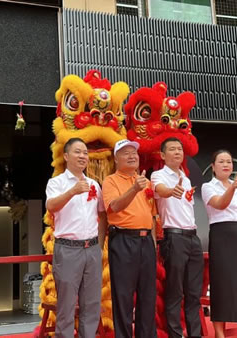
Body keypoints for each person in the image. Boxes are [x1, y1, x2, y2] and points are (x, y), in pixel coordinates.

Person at [45, 137, 107, 338]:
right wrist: (72, 191)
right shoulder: (56, 182)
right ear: (66, 156)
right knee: (66, 303)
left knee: (91, 303)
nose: (83, 156)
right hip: (68, 249)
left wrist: (99, 243)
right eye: (78, 152)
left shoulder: (93, 185)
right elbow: (51, 207)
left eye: (85, 153)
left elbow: (102, 214)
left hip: (91, 249)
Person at [102, 139, 157, 338]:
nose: (132, 156)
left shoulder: (146, 181)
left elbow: (151, 217)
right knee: (123, 296)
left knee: (147, 296)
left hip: (145, 242)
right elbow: (114, 206)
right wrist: (134, 189)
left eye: (134, 152)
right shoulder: (110, 181)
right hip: (123, 240)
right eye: (126, 153)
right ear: (116, 159)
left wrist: (153, 245)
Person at [201, 150, 237, 338]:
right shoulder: (208, 187)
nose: (226, 165)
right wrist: (232, 188)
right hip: (221, 236)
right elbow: (219, 204)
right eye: (221, 161)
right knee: (221, 284)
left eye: (229, 161)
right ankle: (220, 333)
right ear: (213, 166)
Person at [151, 137, 202, 338]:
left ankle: (194, 334)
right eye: (172, 149)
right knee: (174, 291)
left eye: (180, 149)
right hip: (174, 237)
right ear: (163, 155)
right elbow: (160, 191)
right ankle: (174, 334)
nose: (177, 152)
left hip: (193, 237)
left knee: (193, 292)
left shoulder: (186, 178)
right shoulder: (158, 175)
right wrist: (171, 191)